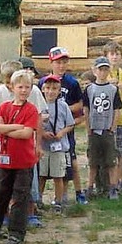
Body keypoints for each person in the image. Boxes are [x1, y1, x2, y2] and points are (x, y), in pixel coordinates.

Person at [0, 70, 40, 244]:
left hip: (23, 161)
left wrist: (8, 129)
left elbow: (26, 133)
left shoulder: (31, 109)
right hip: (4, 160)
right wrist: (15, 126)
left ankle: (16, 233)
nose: (23, 90)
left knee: (20, 197)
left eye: (27, 87)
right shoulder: (4, 107)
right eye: (20, 87)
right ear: (12, 87)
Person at [38, 46, 87, 205]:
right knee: (43, 169)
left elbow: (80, 104)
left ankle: (75, 193)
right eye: (58, 62)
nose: (61, 66)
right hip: (45, 133)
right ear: (51, 63)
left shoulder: (72, 82)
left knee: (70, 161)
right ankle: (39, 199)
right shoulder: (42, 82)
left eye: (64, 62)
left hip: (64, 129)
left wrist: (62, 109)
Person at [84, 57, 122, 200]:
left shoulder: (113, 89)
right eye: (100, 69)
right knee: (93, 161)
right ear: (95, 71)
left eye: (106, 69)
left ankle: (113, 188)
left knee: (111, 160)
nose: (103, 72)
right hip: (94, 129)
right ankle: (89, 187)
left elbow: (117, 109)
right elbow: (86, 109)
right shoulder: (89, 89)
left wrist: (113, 127)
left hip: (107, 130)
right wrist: (88, 128)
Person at [38, 75, 75, 211]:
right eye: (48, 88)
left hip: (59, 147)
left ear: (59, 91)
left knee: (58, 175)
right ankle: (39, 200)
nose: (51, 91)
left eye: (54, 88)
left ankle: (58, 201)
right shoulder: (39, 105)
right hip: (43, 146)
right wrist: (42, 133)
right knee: (41, 175)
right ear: (43, 89)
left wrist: (62, 133)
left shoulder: (63, 105)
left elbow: (70, 124)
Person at [103, 41, 122, 190]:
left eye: (117, 54)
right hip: (106, 121)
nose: (114, 57)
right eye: (112, 54)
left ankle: (117, 183)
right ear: (106, 56)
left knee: (121, 152)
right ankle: (106, 182)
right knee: (108, 152)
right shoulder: (103, 75)